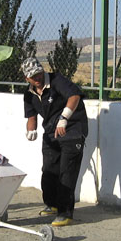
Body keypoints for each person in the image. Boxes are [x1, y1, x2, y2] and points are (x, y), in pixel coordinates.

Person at [22, 57, 88, 227]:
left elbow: (74, 96)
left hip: (72, 128)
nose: (36, 78)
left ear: (42, 70)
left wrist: (64, 117)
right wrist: (31, 130)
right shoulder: (28, 94)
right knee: (49, 170)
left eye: (38, 73)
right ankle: (52, 204)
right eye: (32, 76)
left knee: (67, 172)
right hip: (51, 132)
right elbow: (31, 116)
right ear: (26, 78)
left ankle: (65, 212)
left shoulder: (57, 80)